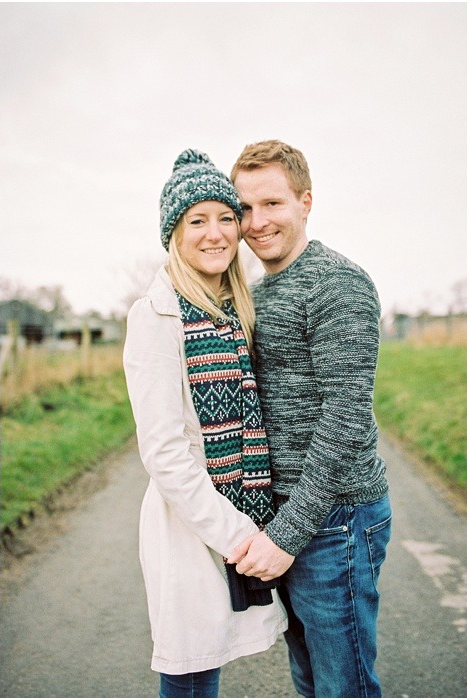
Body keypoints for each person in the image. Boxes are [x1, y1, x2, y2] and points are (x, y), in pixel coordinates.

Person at [226, 139, 392, 698]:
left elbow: (344, 419)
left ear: (306, 201)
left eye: (272, 203)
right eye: (244, 208)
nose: (256, 222)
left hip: (335, 519)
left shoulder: (337, 284)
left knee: (343, 686)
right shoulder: (256, 291)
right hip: (287, 518)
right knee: (310, 680)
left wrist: (289, 534)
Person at [123, 149, 288, 698]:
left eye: (225, 218)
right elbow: (165, 453)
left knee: (204, 671)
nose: (215, 233)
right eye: (197, 220)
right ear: (174, 232)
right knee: (190, 676)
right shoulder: (156, 315)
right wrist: (240, 536)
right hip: (194, 526)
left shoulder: (233, 308)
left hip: (241, 515)